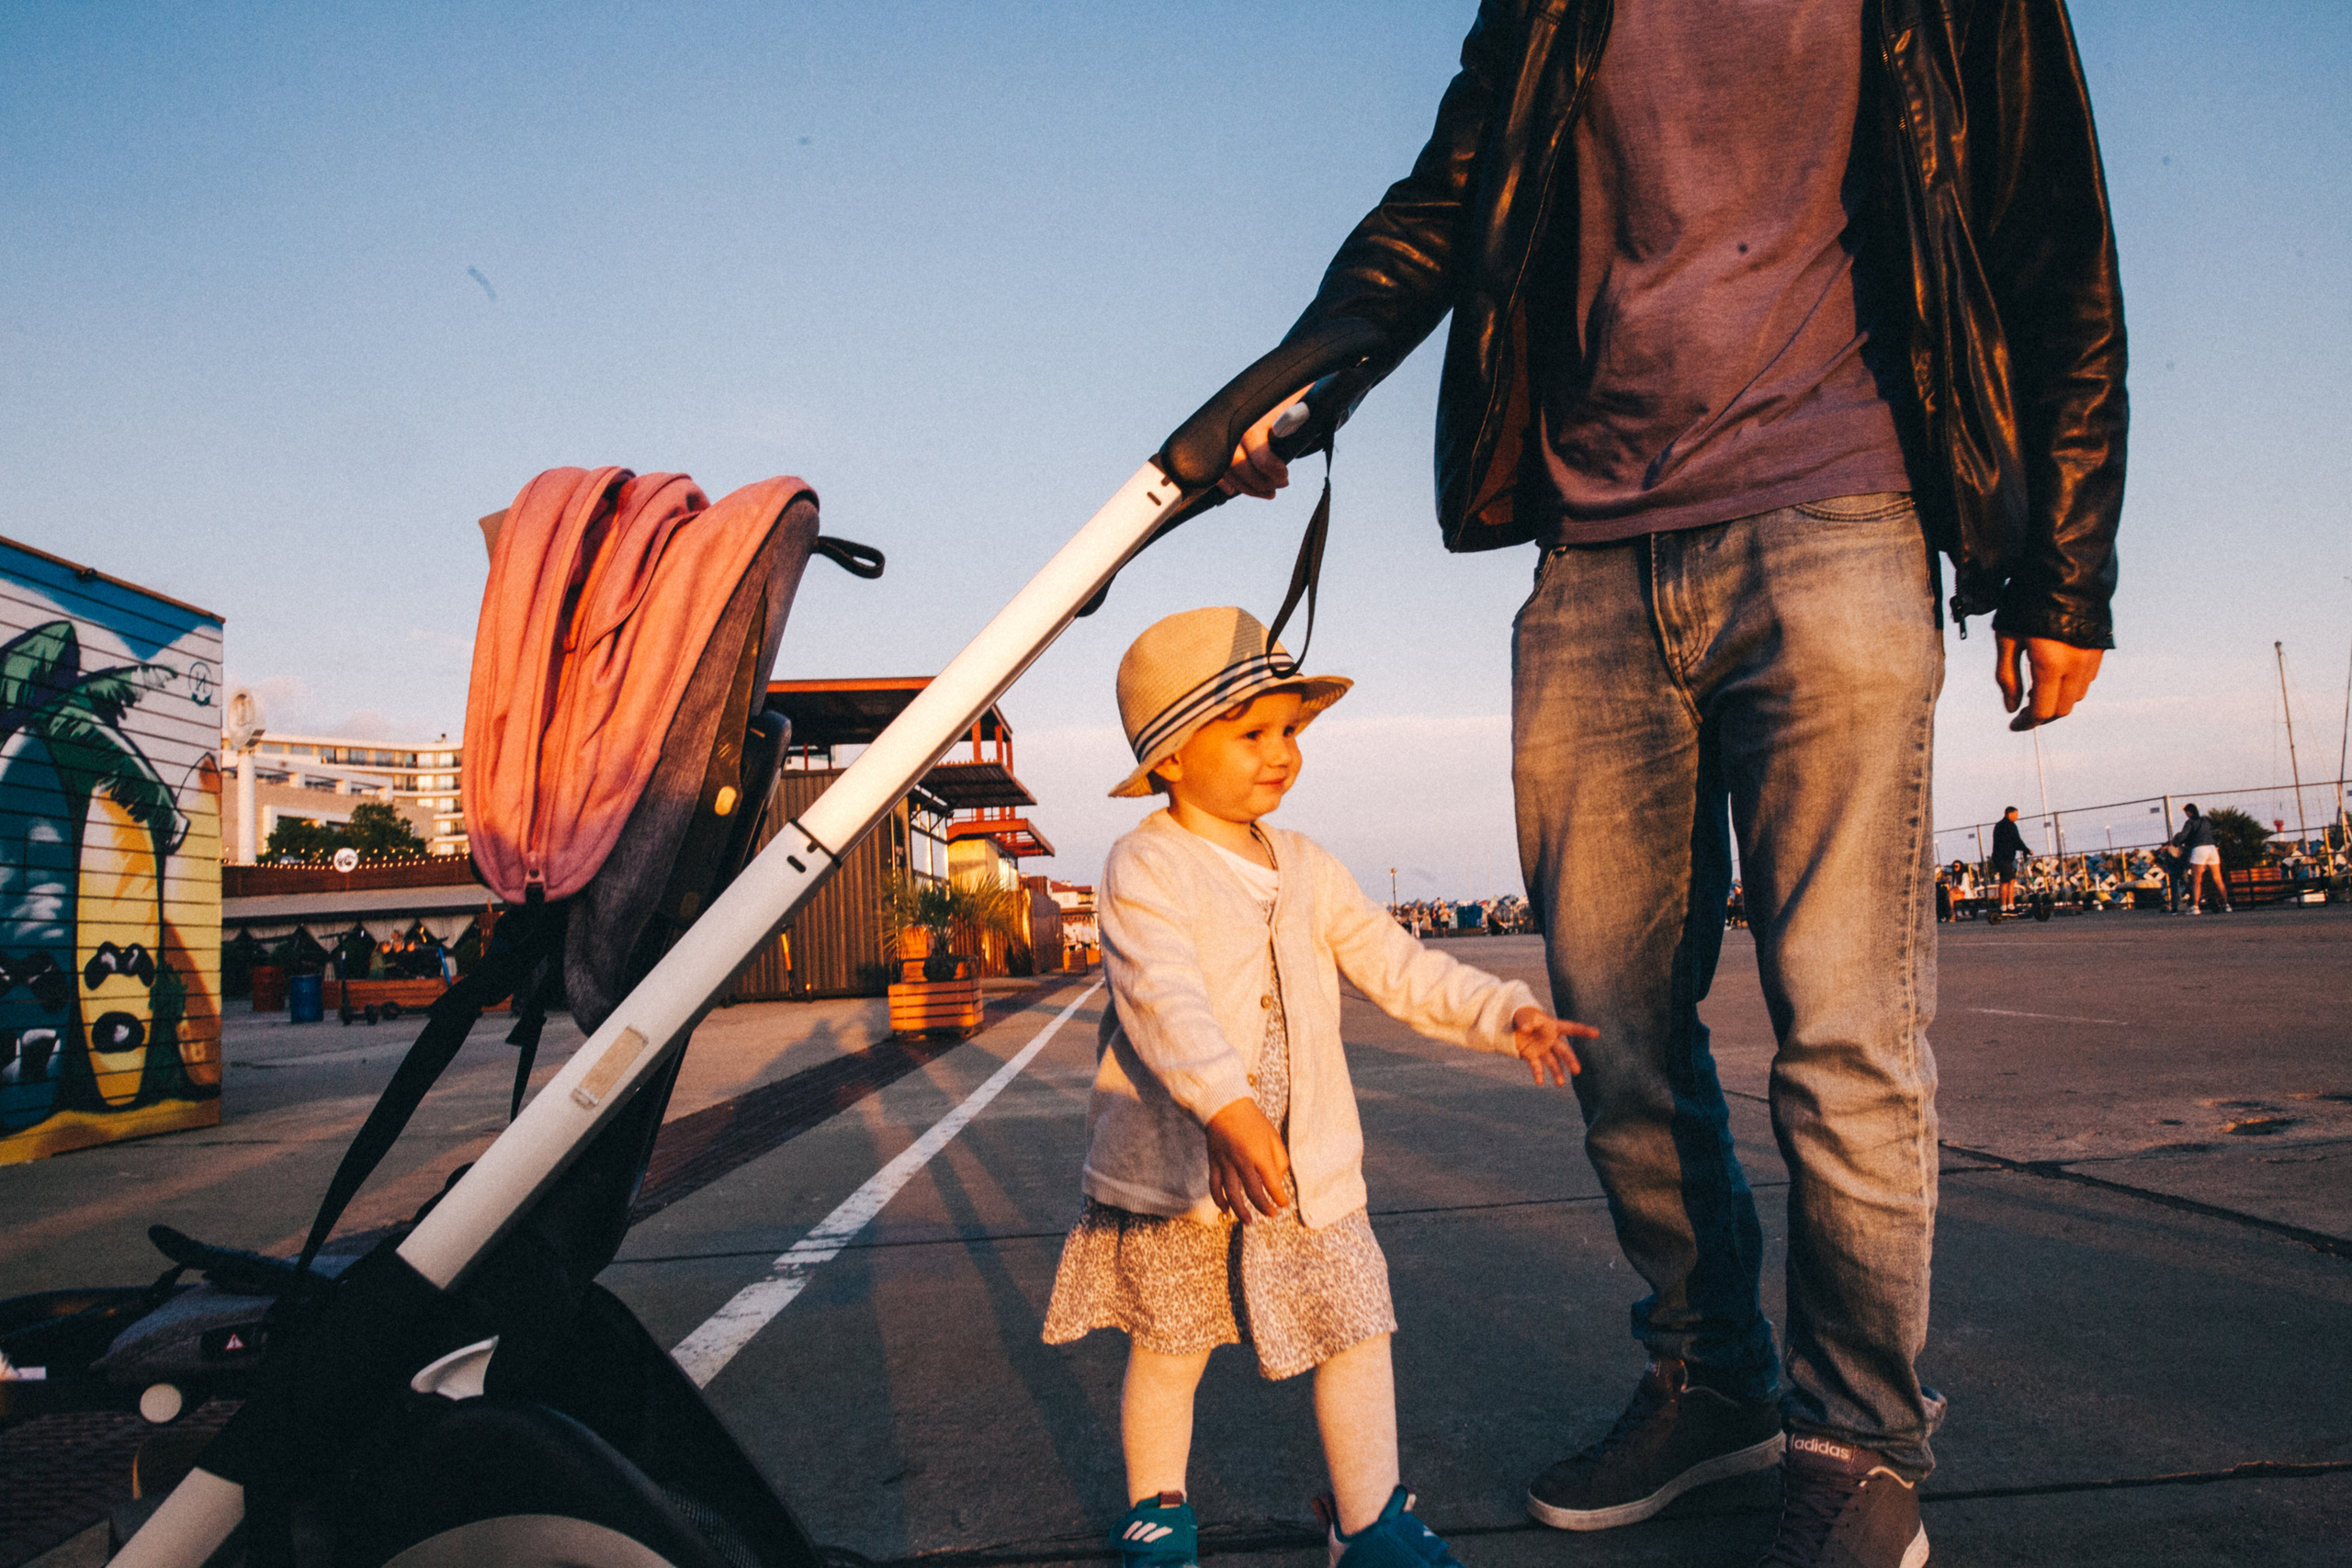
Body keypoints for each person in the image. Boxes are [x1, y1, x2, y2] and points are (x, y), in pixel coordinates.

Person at [1212, 4, 2125, 1563]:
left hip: (1841, 523)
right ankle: (1715, 1379)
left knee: (1845, 1034)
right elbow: (1452, 194)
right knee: (1613, 1031)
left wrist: (2067, 569)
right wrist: (1309, 373)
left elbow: (2058, 244)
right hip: (1591, 553)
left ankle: (1856, 1447)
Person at [1042, 607, 1594, 1568]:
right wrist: (1225, 1106)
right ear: (1170, 756)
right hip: (1182, 1175)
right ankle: (1157, 1515)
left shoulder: (1307, 865)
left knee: (1355, 1327)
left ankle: (1367, 1522)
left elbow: (1396, 963)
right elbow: (1160, 997)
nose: (1281, 752)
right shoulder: (1145, 865)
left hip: (1308, 1175)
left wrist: (1502, 1012)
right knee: (1171, 1345)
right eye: (1251, 732)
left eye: (1290, 729)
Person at [2172, 803, 2231, 914]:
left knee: (2196, 880)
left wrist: (2176, 842)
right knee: (2218, 879)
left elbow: (2183, 836)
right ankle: (2226, 905)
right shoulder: (2206, 820)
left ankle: (2195, 907)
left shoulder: (2190, 822)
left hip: (2199, 849)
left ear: (2189, 812)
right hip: (2212, 848)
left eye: (2186, 813)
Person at [1990, 807, 2030, 918]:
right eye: (2016, 814)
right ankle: (2006, 906)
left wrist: (2022, 848)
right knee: (2007, 881)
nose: (2017, 817)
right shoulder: (2010, 826)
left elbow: (2012, 842)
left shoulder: (1999, 825)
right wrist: (2026, 849)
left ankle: (2008, 905)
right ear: (2010, 814)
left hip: (2000, 857)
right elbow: (2016, 840)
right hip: (2004, 858)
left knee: (2009, 880)